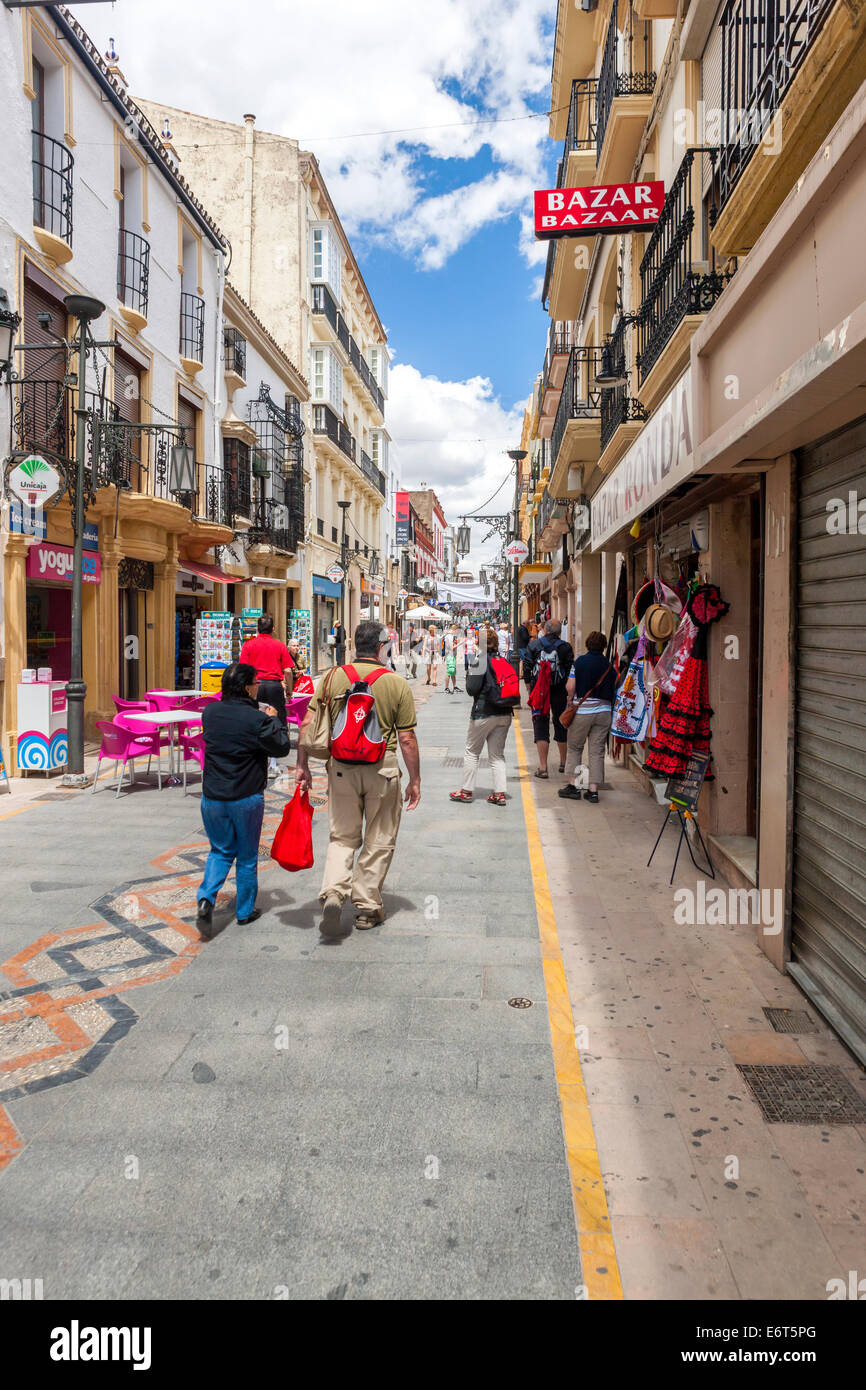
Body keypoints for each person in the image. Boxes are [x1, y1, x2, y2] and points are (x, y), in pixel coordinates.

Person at [296, 620, 421, 935]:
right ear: (382, 647)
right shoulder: (396, 683)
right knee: (379, 839)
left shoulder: (332, 677)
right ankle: (366, 909)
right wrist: (415, 780)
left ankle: (335, 892)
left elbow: (306, 723)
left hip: (340, 768)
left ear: (353, 646)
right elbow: (406, 739)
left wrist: (303, 765)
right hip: (383, 768)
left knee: (342, 837)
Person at [196, 662, 290, 939]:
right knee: (247, 856)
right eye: (256, 683)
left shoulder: (210, 712)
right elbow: (281, 747)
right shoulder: (257, 719)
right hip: (245, 796)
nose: (259, 687)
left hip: (212, 795)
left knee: (220, 850)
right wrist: (274, 718)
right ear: (248, 687)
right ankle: (244, 911)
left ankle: (206, 899)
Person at [449, 627, 513, 807]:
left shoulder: (480, 660)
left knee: (472, 752)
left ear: (480, 642)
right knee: (497, 755)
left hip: (483, 713)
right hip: (504, 712)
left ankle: (466, 791)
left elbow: (471, 689)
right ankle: (499, 793)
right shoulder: (504, 660)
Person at [559, 631, 617, 803]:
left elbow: (570, 686)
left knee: (575, 747)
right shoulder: (609, 666)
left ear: (587, 644)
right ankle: (593, 791)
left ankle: (574, 786)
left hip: (583, 712)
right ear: (604, 646)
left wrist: (571, 699)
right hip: (604, 712)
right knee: (597, 751)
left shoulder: (579, 662)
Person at [240, 614, 295, 778]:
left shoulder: (248, 645)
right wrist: (289, 691)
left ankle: (255, 760)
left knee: (253, 720)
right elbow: (288, 671)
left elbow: (243, 670)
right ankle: (273, 764)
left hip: (255, 686)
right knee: (275, 721)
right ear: (273, 629)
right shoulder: (279, 646)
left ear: (257, 629)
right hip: (274, 687)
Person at [523, 618, 574, 778]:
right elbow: (569, 669)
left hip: (540, 691)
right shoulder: (565, 647)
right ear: (559, 632)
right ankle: (564, 763)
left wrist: (529, 687)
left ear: (544, 630)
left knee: (540, 724)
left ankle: (543, 768)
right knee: (561, 724)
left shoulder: (534, 645)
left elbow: (527, 667)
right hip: (559, 691)